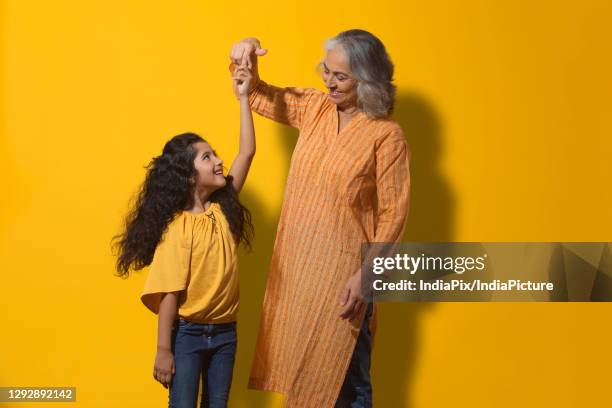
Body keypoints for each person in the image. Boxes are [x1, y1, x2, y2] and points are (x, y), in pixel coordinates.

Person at [229, 29, 411, 407]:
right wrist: (245, 52)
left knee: (348, 381)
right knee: (303, 376)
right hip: (298, 276)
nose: (328, 81)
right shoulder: (315, 108)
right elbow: (260, 94)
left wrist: (366, 276)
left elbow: (394, 214)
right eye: (326, 70)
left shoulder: (386, 136)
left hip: (345, 280)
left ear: (368, 80)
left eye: (340, 76)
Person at [112, 66, 256, 408]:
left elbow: (247, 152)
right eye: (208, 158)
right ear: (190, 177)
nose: (220, 161)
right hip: (188, 335)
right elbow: (169, 294)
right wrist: (163, 350)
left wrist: (243, 98)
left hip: (225, 334)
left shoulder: (223, 211)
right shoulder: (178, 229)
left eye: (215, 154)